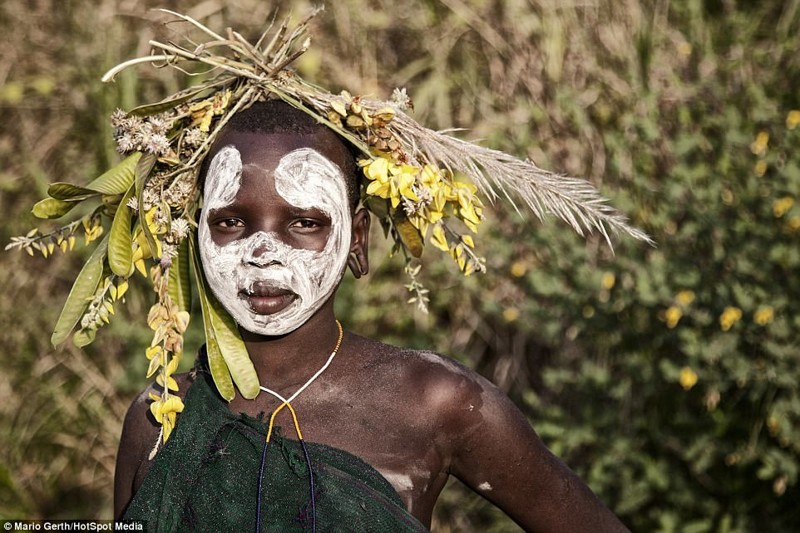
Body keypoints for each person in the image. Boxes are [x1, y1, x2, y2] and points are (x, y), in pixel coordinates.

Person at [113, 100, 630, 532]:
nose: (262, 251)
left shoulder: (434, 402)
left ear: (357, 239)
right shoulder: (160, 418)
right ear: (192, 234)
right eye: (230, 221)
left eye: (304, 222)